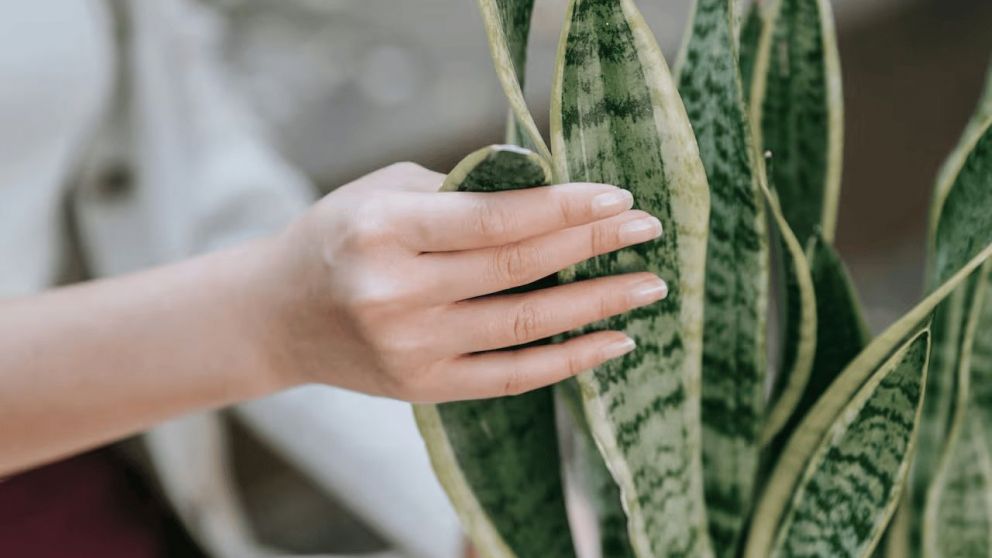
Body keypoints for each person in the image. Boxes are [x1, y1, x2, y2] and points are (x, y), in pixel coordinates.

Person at [0, 1, 666, 557]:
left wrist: (493, 511)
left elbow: (194, 184)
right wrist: (268, 322)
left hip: (86, 474)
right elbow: (263, 301)